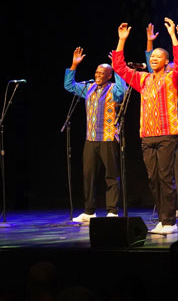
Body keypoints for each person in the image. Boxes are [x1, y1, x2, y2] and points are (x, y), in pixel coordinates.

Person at [112, 19, 178, 234]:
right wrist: (121, 40)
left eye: (158, 57)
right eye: (152, 57)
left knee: (165, 177)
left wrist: (173, 36)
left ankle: (169, 222)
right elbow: (119, 67)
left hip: (166, 135)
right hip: (147, 136)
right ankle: (162, 220)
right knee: (153, 180)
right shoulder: (143, 79)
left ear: (166, 60)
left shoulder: (173, 78)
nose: (153, 59)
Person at [64, 47, 125, 223]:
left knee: (111, 176)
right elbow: (69, 85)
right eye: (97, 72)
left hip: (108, 138)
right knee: (88, 175)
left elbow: (123, 90)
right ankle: (89, 211)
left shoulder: (114, 89)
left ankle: (112, 210)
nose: (98, 75)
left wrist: (118, 67)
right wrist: (74, 65)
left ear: (109, 75)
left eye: (102, 72)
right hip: (90, 140)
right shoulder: (88, 88)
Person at [145, 22, 178, 220]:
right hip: (162, 132)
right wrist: (150, 43)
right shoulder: (159, 83)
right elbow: (151, 64)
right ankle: (168, 209)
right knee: (162, 173)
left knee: (177, 171)